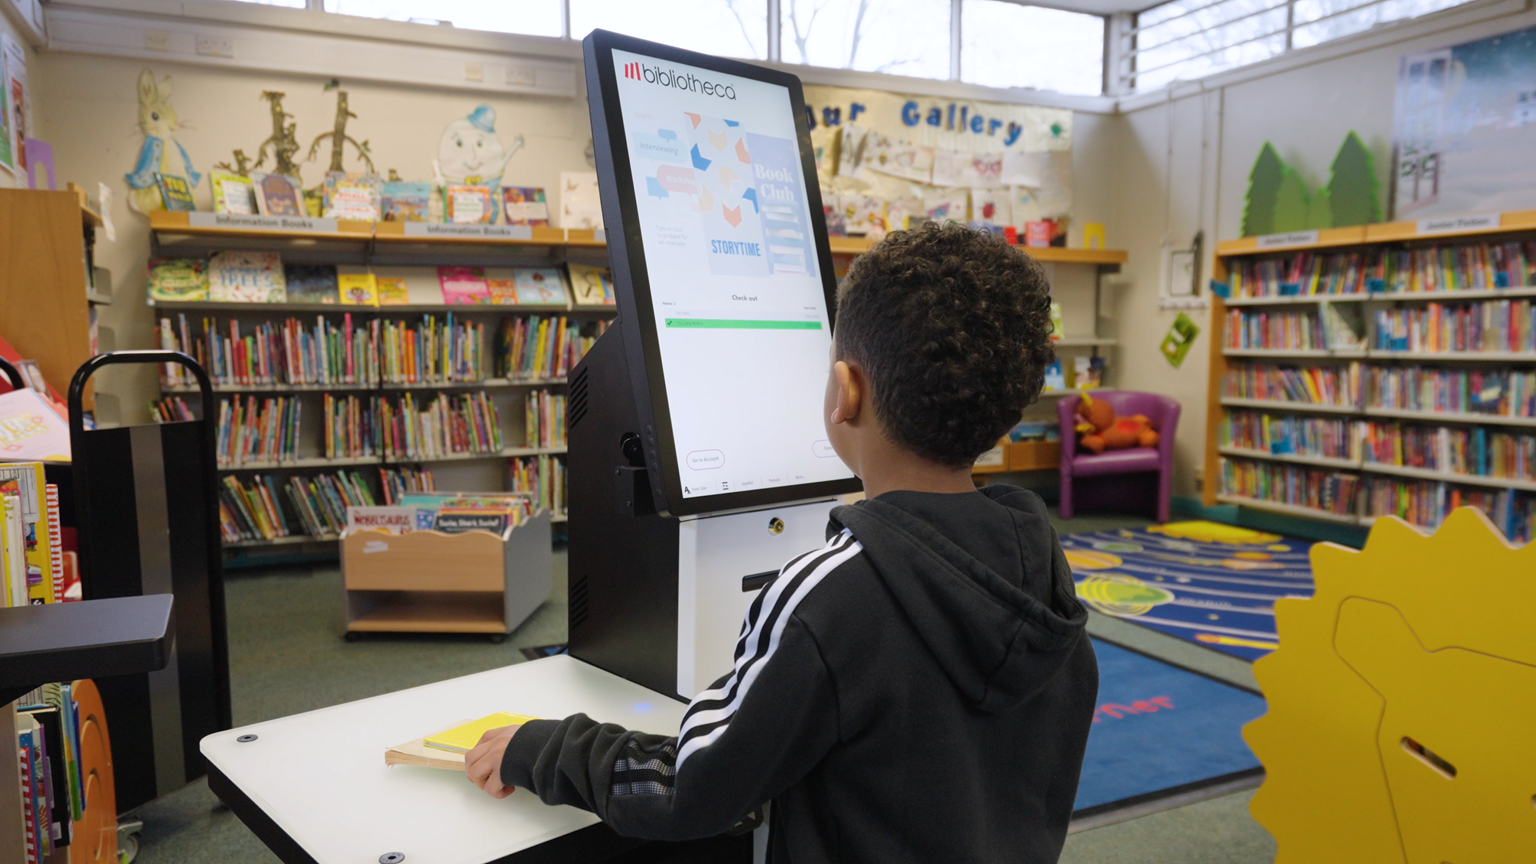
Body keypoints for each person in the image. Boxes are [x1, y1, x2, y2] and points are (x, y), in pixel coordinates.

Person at [466, 222, 1098, 863]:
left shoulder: (829, 596)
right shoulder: (1045, 579)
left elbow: (696, 790)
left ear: (845, 393)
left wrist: (546, 748)